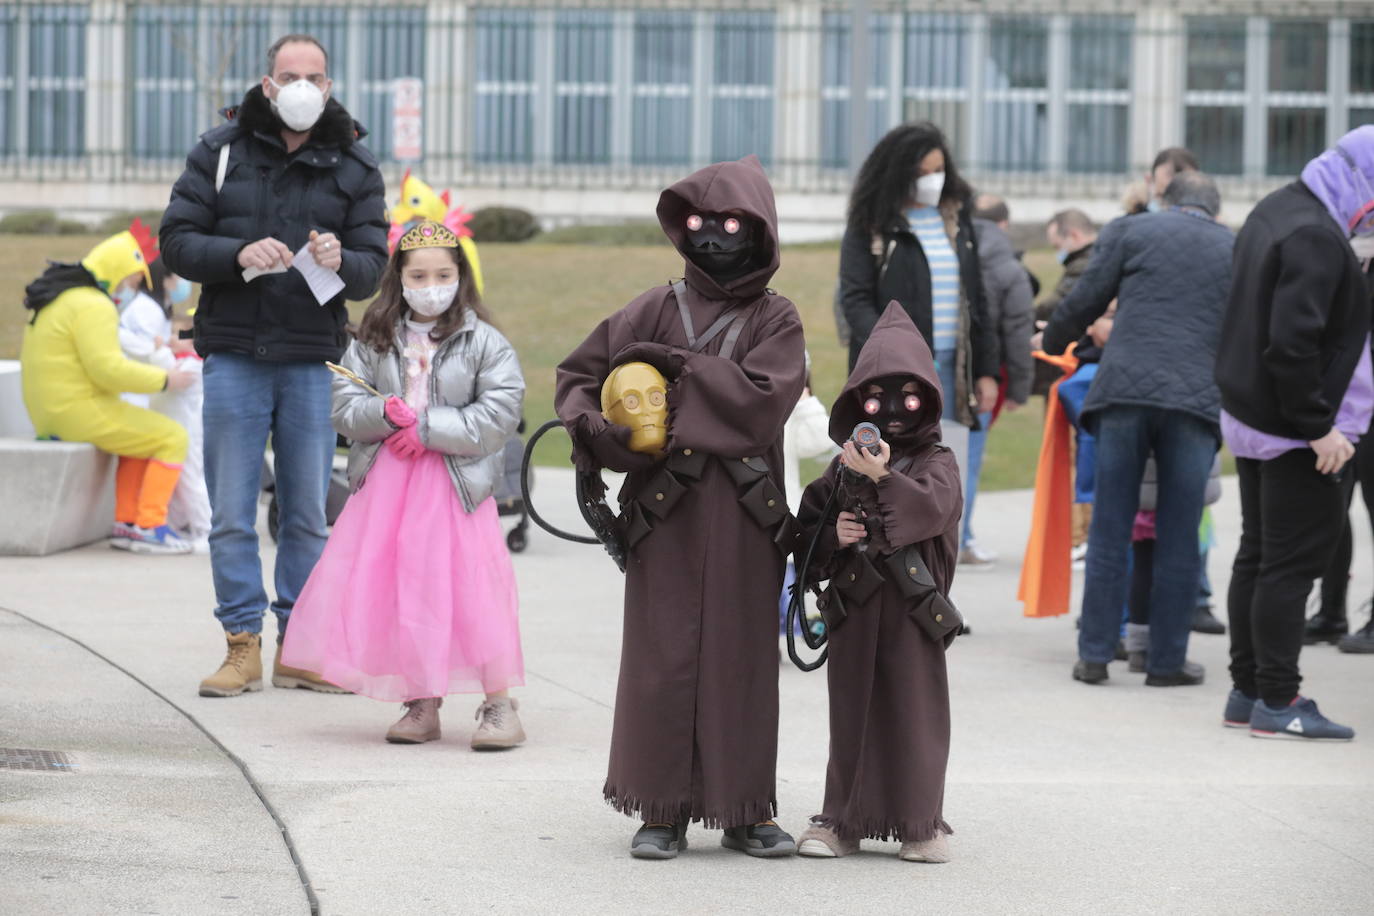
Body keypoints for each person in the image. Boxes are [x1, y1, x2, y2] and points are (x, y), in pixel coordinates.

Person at [555, 155, 806, 859]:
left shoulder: (776, 318)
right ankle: (660, 809)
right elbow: (580, 376)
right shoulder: (653, 305)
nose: (714, 237)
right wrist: (602, 435)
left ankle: (744, 808)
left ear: (758, 230)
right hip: (664, 516)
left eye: (730, 224)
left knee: (741, 661)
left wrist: (678, 369)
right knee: (661, 658)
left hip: (744, 516)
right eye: (699, 223)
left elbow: (761, 403)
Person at [160, 33, 389, 698]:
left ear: (328, 85)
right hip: (233, 353)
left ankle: (302, 646)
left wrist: (341, 259)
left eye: (313, 76)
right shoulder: (219, 151)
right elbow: (177, 241)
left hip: (309, 360)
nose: (300, 86)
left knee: (307, 513)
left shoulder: (354, 164)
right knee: (232, 512)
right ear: (267, 85)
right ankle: (241, 644)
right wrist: (236, 253)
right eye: (288, 74)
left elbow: (373, 267)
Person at [280, 221, 526, 746]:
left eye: (443, 273)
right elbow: (344, 405)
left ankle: (500, 702)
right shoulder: (375, 336)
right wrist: (384, 415)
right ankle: (420, 701)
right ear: (400, 279)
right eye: (419, 275)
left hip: (455, 483)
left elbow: (501, 413)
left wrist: (430, 428)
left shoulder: (485, 341)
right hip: (391, 484)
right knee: (406, 586)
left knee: (472, 586)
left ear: (461, 276)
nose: (431, 284)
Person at [1037, 171, 1232, 687]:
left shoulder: (1131, 231)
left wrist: (1055, 341)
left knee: (1110, 527)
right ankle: (1166, 662)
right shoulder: (1233, 247)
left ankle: (1095, 656)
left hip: (1123, 395)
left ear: (1165, 201)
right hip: (1193, 403)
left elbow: (1083, 299)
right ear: (1216, 209)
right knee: (1178, 535)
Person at [1215, 126, 1374, 740]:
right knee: (1289, 566)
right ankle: (1278, 700)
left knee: (1258, 556)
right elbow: (1292, 344)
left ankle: (1247, 690)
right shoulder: (1315, 235)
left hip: (1255, 417)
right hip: (1296, 431)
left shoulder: (1280, 207)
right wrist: (1321, 428)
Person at [794, 302, 961, 863]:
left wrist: (883, 477)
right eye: (877, 398)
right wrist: (834, 535)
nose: (891, 411)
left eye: (907, 398)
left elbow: (930, 512)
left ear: (927, 401)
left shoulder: (938, 462)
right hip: (857, 609)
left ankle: (920, 823)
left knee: (914, 713)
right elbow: (806, 530)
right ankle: (841, 819)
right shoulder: (841, 468)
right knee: (851, 714)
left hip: (913, 612)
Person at [20, 223, 197, 554]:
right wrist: (165, 380)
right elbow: (108, 370)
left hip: (52, 414)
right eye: (131, 281)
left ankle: (126, 523)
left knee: (140, 438)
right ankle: (149, 526)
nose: (130, 288)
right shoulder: (93, 305)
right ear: (116, 271)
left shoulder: (65, 297)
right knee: (172, 437)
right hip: (79, 410)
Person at [837, 122, 999, 475]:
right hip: (897, 370)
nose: (931, 180)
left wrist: (987, 371)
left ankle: (959, 533)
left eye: (938, 171)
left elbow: (977, 301)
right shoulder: (871, 225)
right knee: (899, 467)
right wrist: (897, 352)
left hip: (955, 366)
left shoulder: (957, 221)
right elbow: (855, 300)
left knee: (954, 464)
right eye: (921, 172)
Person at [960, 193, 1033, 568]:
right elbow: (1019, 332)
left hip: (938, 369)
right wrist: (1021, 388)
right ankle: (960, 540)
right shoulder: (1009, 268)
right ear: (1003, 224)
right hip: (984, 378)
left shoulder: (951, 253)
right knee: (968, 460)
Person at [117, 262, 211, 550]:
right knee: (185, 477)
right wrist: (164, 351)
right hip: (156, 406)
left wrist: (164, 348)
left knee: (189, 475)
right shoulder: (149, 310)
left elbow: (173, 351)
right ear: (166, 279)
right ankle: (177, 526)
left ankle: (199, 529)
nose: (185, 282)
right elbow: (140, 345)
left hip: (173, 416)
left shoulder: (190, 361)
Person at [779, 354, 837, 632]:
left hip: (781, 509)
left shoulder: (788, 411)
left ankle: (779, 631)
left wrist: (804, 400)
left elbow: (817, 440)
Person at [1121, 147, 1201, 215]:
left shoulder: (1202, 217)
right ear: (1149, 179)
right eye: (1171, 174)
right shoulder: (1135, 216)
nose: (1178, 181)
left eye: (1186, 176)